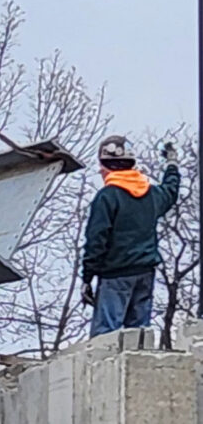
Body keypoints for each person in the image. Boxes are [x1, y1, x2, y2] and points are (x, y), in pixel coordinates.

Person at [82, 135, 180, 337]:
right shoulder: (151, 195)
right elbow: (170, 192)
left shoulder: (107, 197)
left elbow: (96, 240)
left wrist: (87, 277)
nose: (100, 171)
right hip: (145, 273)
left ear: (107, 166)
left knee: (105, 338)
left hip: (115, 275)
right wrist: (171, 165)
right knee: (138, 337)